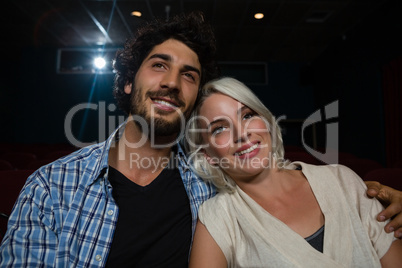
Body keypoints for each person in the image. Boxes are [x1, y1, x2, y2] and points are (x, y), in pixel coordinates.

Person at [0, 11, 401, 268]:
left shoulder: (209, 185)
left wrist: (390, 200)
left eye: (189, 75)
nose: (172, 82)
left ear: (192, 104)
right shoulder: (51, 187)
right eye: (159, 66)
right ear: (126, 83)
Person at [186, 77, 402, 267]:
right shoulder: (218, 217)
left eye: (247, 115)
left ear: (267, 123)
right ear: (208, 155)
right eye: (220, 129)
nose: (241, 134)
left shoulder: (344, 180)